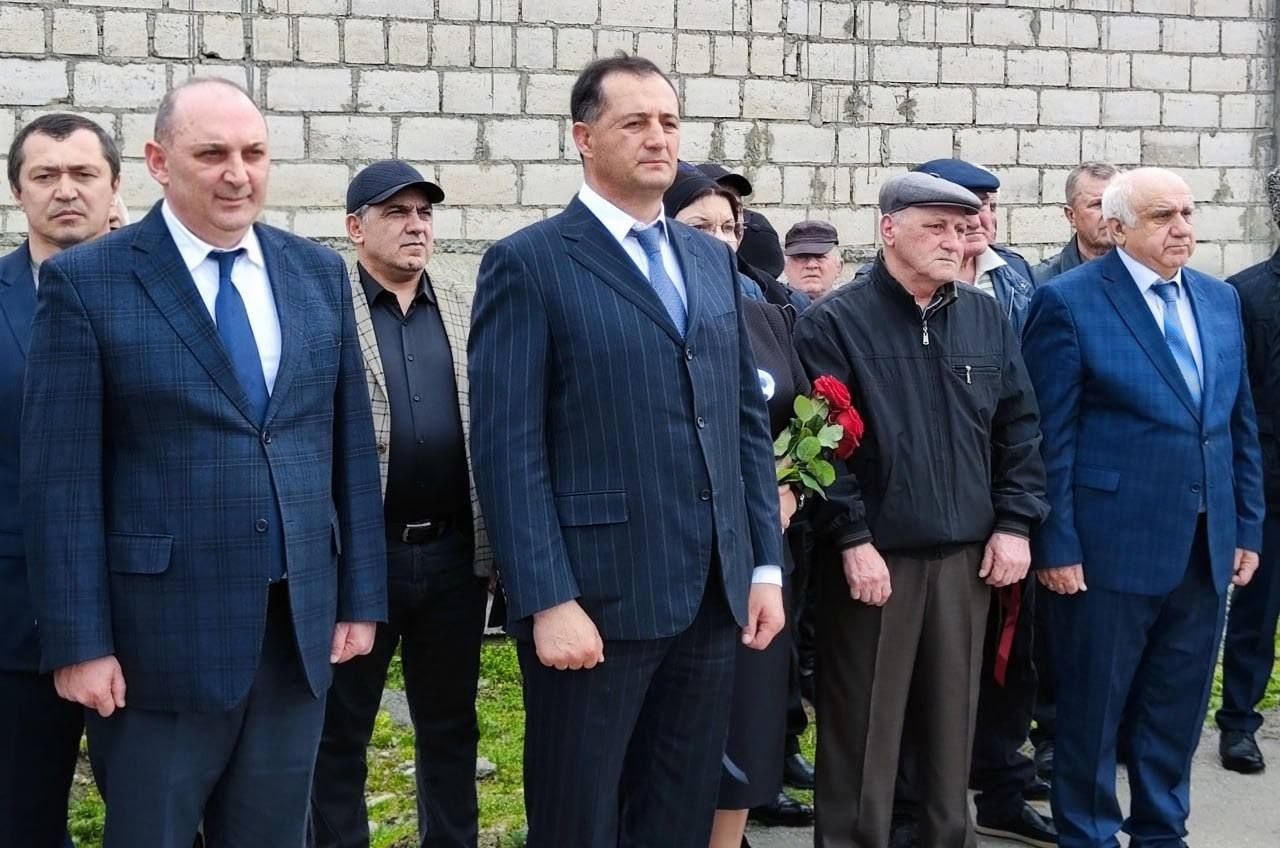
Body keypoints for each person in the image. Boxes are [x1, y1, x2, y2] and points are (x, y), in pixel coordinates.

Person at [20, 77, 388, 848]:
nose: (237, 174)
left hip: (294, 633)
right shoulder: (88, 283)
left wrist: (360, 593)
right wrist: (80, 643)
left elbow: (348, 444)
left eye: (254, 154)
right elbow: (61, 485)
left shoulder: (315, 273)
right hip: (157, 646)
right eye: (212, 154)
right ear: (158, 161)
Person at [468, 55, 786, 848]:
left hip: (708, 599)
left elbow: (742, 423)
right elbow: (507, 447)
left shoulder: (709, 260)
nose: (658, 138)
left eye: (669, 122)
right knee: (578, 818)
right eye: (635, 122)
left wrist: (763, 565)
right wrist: (547, 599)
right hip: (595, 604)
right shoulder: (529, 262)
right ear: (584, 138)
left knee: (677, 815)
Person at [793, 172, 1049, 848]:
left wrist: (1015, 523)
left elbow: (1019, 428)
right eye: (935, 226)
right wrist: (852, 538)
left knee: (950, 731)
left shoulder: (985, 318)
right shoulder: (834, 323)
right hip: (876, 563)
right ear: (889, 230)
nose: (953, 240)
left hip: (966, 561)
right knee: (863, 736)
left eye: (961, 228)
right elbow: (820, 448)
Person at [1021, 167, 1265, 848]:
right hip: (1108, 547)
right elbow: (1049, 437)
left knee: (1177, 706)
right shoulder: (1069, 302)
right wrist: (1056, 543)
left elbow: (1236, 424)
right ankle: (1088, 834)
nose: (1181, 228)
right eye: (1163, 216)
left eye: (1187, 213)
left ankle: (1161, 830)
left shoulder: (1219, 299)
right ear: (1117, 227)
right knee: (1093, 710)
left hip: (1204, 543)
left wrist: (1245, 525)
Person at [310, 161, 491, 848]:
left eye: (424, 213)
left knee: (451, 724)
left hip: (452, 556)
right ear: (356, 228)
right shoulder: (327, 310)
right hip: (363, 558)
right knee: (341, 730)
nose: (416, 226)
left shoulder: (463, 306)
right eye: (396, 213)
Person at [661, 168, 818, 843]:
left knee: (744, 735)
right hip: (674, 554)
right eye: (702, 226)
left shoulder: (766, 317)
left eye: (731, 227)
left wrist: (791, 485)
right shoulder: (652, 319)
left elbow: (808, 418)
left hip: (757, 556)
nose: (722, 241)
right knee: (672, 744)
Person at [1, 112, 119, 848]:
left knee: (163, 819)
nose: (65, 190)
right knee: (22, 819)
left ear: (116, 186)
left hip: (152, 613)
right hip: (17, 621)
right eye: (45, 175)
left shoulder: (170, 298)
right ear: (18, 191)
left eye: (83, 173)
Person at [1216, 164, 1280, 775]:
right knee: (1257, 615)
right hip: (1271, 485)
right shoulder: (1245, 294)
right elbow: (1238, 401)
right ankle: (1238, 722)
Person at [1033, 162, 1119, 285]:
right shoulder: (1040, 281)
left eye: (1116, 203)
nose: (1110, 214)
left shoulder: (1145, 270)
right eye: (1097, 205)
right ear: (1071, 215)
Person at [782, 220, 844, 301]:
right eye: (801, 257)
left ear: (839, 267)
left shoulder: (853, 307)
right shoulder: (769, 306)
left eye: (820, 257)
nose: (811, 265)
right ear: (785, 266)